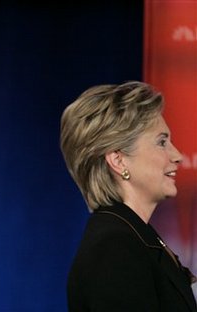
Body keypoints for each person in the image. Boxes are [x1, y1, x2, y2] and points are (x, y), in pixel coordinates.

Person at [60, 81, 197, 312]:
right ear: (118, 160)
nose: (176, 156)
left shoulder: (136, 238)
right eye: (162, 142)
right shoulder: (115, 247)